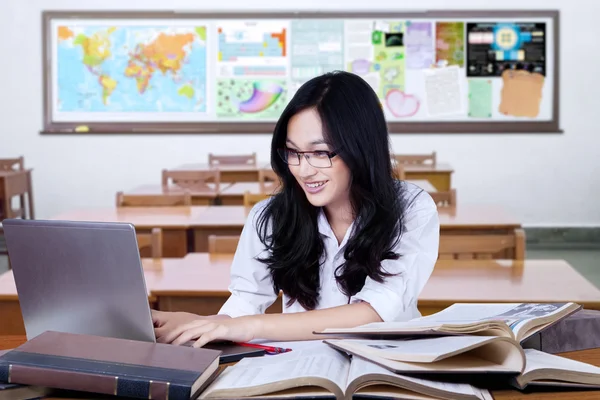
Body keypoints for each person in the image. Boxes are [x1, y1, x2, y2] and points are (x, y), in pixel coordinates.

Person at [152, 71, 440, 347]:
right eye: (293, 152)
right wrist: (201, 323)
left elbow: (374, 313)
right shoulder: (271, 217)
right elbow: (245, 303)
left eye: (319, 152)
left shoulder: (410, 209)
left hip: (388, 365)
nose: (303, 170)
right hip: (303, 368)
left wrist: (253, 325)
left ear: (360, 149)